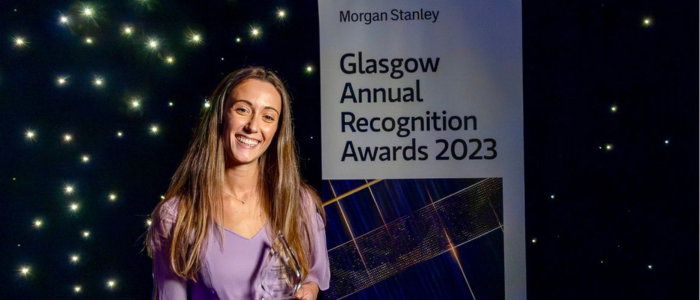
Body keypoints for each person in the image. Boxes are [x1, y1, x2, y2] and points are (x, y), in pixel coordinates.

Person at [146, 67, 330, 300]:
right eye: (242, 110)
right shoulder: (177, 216)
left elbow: (313, 277)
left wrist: (309, 290)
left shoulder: (299, 202)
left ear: (277, 130)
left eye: (268, 116)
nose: (253, 126)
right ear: (221, 115)